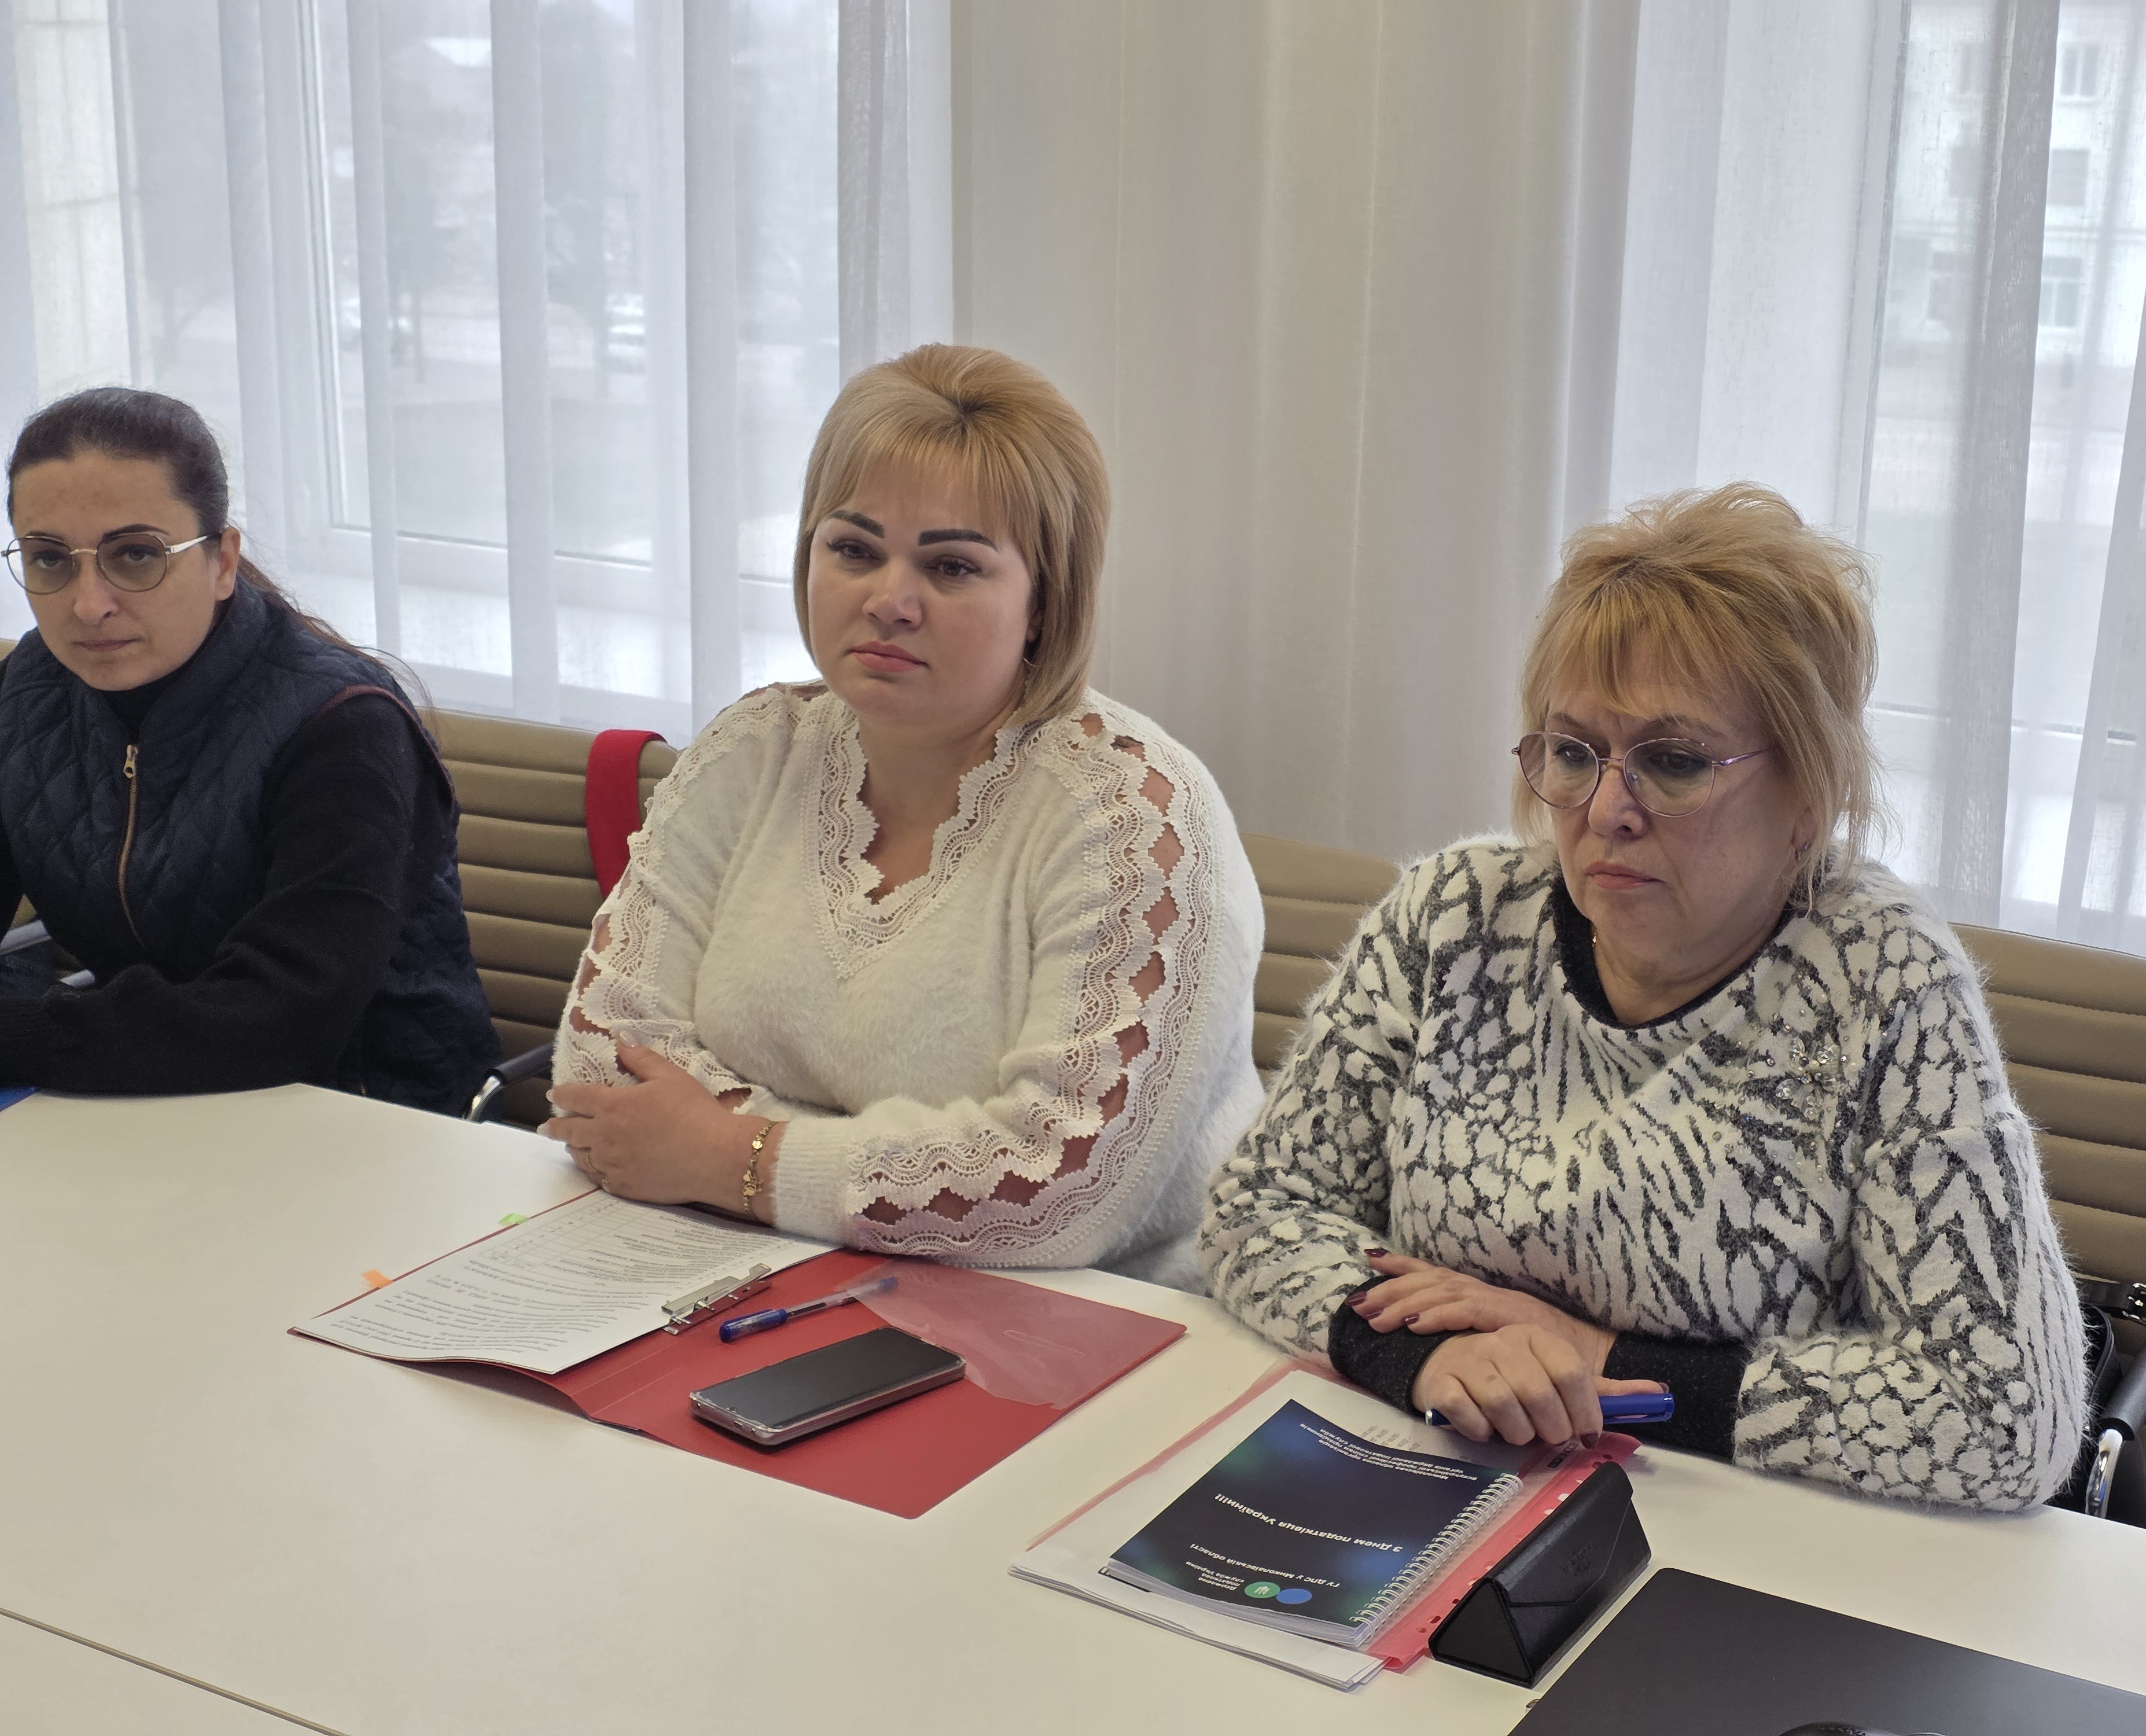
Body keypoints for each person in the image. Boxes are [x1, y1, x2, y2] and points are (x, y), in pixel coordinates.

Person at [1201, 483, 2087, 1511]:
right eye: (1573, 753)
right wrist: (1427, 1358)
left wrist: (1599, 1359)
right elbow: (1256, 1211)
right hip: (1428, 1476)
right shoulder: (1452, 916)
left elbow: (2008, 1415)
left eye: (1671, 762)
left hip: (1739, 1531)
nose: (1606, 810)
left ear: (1809, 790)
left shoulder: (1884, 985)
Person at [544, 344, 1263, 1286]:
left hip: (1096, 1320)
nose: (888, 601)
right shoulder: (752, 749)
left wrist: (729, 1157)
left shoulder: (1136, 815)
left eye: (952, 567)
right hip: (747, 1271)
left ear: (1043, 603)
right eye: (852, 550)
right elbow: (599, 1069)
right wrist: (809, 1175)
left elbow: (1059, 1192)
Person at [0, 388, 496, 1112]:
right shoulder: (33, 686)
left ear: (223, 561)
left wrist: (22, 1035)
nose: (88, 604)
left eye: (135, 555)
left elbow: (280, 1019)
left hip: (364, 1112)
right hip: (147, 1092)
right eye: (49, 559)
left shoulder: (342, 727)